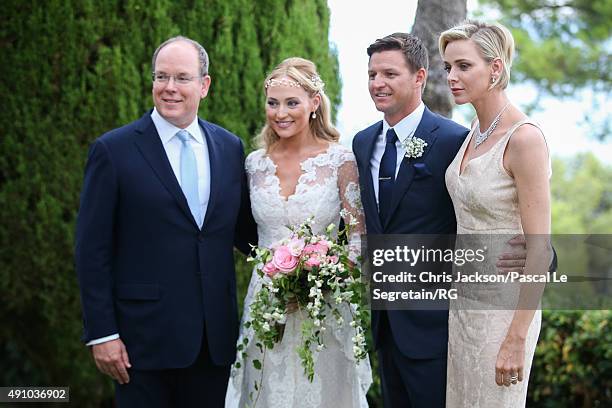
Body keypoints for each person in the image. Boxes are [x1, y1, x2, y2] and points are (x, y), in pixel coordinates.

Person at [75, 36, 256, 407]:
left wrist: (310, 255)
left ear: (204, 85)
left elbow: (246, 233)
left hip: (214, 343)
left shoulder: (229, 147)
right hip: (141, 345)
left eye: (182, 78)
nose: (169, 88)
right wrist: (102, 333)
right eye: (162, 77)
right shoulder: (113, 150)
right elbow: (92, 250)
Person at [225, 57, 372, 408]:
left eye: (292, 102)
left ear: (314, 103)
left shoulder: (341, 160)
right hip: (265, 303)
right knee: (264, 389)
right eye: (273, 103)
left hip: (325, 306)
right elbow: (242, 232)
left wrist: (316, 283)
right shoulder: (253, 163)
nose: (281, 112)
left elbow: (357, 239)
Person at [352, 32, 469, 408]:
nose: (377, 84)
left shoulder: (455, 140)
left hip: (435, 327)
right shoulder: (362, 142)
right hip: (384, 324)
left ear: (419, 76)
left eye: (389, 74)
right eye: (371, 74)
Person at [440, 20, 551, 407]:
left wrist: (516, 338)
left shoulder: (525, 138)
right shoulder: (474, 130)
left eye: (463, 66)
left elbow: (540, 248)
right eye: (448, 67)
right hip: (464, 303)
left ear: (496, 68)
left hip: (504, 310)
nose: (452, 76)